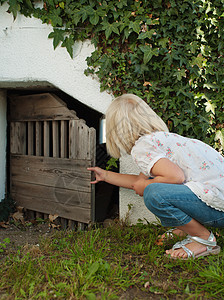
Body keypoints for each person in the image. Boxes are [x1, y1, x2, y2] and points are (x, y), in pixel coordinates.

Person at [88, 94, 224, 259]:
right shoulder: (162, 141)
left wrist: (145, 187)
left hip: (218, 211)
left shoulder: (143, 147)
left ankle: (203, 239)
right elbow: (139, 182)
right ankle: (185, 228)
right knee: (155, 185)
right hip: (217, 204)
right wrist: (106, 175)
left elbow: (175, 177)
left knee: (154, 193)